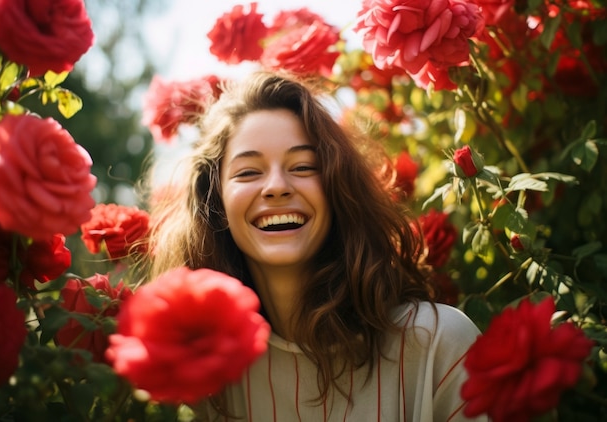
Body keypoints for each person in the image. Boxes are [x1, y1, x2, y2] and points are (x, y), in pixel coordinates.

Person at [145, 70, 488, 421]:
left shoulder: (439, 346)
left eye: (304, 166)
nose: (276, 186)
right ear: (215, 202)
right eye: (248, 172)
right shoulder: (203, 385)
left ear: (338, 188)